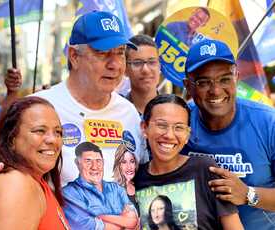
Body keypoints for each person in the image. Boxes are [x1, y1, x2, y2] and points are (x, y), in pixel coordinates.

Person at [0, 11, 149, 227]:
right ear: (74, 56)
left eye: (120, 53)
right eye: (103, 53)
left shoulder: (129, 113)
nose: (115, 64)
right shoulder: (37, 107)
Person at [182, 38, 275, 229]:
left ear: (236, 78)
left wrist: (248, 194)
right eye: (203, 82)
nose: (215, 91)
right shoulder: (179, 122)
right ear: (188, 86)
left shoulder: (267, 122)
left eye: (224, 79)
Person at [134, 94, 244, 229]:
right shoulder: (136, 178)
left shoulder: (205, 169)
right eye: (162, 125)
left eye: (179, 127)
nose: (169, 135)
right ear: (144, 128)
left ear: (187, 135)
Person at [0, 96, 69, 229]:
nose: (53, 140)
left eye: (58, 132)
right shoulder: (16, 183)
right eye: (39, 130)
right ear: (11, 140)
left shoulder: (35, 182)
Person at [63, 141, 138, 229]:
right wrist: (122, 222)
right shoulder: (69, 193)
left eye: (98, 161)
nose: (95, 167)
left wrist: (102, 217)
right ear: (77, 163)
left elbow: (132, 221)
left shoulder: (116, 188)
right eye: (88, 161)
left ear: (103, 162)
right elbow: (85, 227)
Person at [125, 34, 160, 115]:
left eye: (152, 62)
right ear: (125, 69)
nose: (145, 70)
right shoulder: (116, 112)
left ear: (159, 66)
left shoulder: (172, 112)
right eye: (137, 63)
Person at [113, 143, 138, 211]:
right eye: (124, 162)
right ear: (119, 165)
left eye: (132, 161)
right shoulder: (113, 191)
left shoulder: (142, 184)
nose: (129, 167)